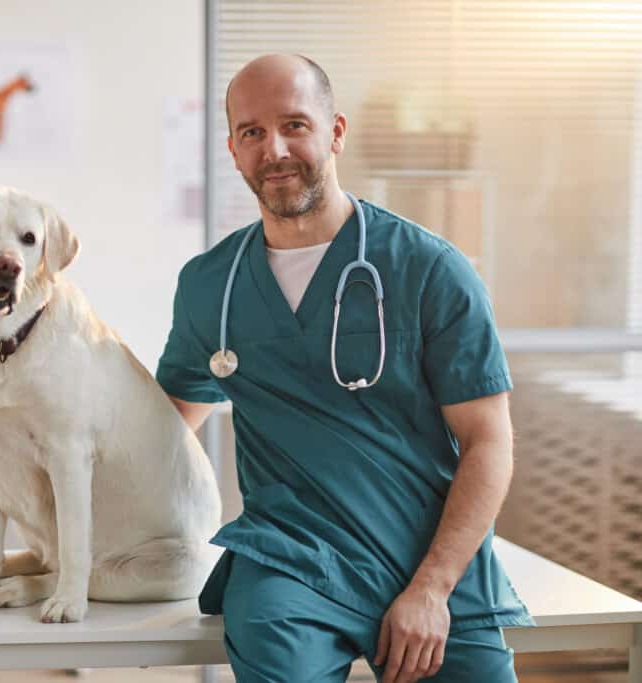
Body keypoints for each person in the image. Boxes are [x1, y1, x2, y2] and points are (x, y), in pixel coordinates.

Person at [156, 54, 535, 683]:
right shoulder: (209, 286)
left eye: (295, 125)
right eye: (252, 132)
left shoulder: (430, 270)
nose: (273, 148)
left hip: (429, 557)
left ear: (335, 132)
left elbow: (487, 441)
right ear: (232, 149)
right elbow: (163, 432)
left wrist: (433, 589)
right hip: (292, 568)